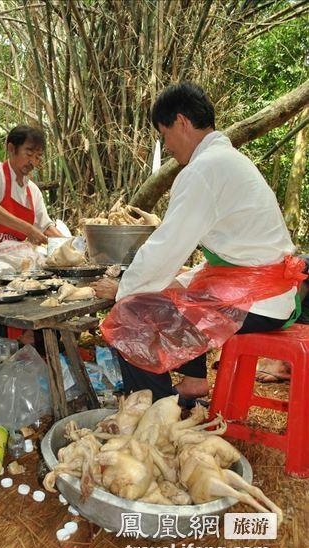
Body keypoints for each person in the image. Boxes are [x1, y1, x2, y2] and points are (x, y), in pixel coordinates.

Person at [92, 81, 306, 407]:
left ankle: (156, 411)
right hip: (267, 292)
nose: (167, 146)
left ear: (182, 122)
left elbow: (166, 248)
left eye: (164, 135)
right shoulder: (226, 159)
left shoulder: (205, 169)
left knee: (131, 317)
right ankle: (192, 383)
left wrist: (123, 289)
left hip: (258, 301)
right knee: (174, 288)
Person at [0, 124, 63, 272]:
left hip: (12, 257)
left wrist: (70, 245)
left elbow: (46, 227)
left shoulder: (33, 191)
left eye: (37, 157)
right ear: (11, 148)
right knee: (7, 281)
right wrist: (28, 229)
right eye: (29, 154)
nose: (33, 162)